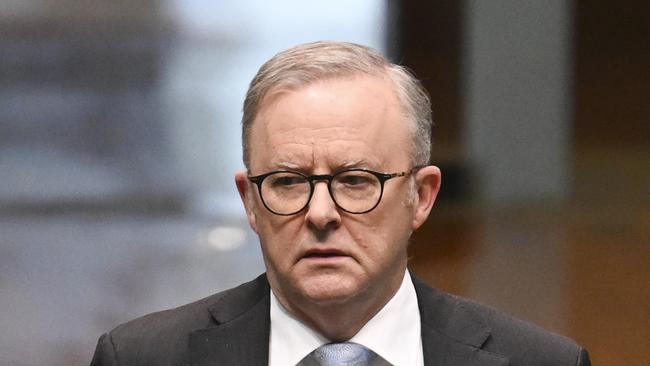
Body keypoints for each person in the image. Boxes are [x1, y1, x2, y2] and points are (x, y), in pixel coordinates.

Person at [90, 41, 590, 366]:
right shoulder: (140, 358)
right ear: (250, 202)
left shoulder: (542, 363)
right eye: (288, 182)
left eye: (355, 181)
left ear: (422, 197)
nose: (321, 214)